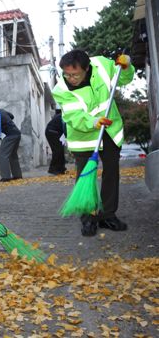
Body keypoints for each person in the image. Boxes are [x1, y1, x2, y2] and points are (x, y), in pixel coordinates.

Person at [52, 49, 134, 236]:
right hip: (83, 136)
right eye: (67, 74)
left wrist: (127, 65)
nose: (70, 78)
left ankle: (107, 215)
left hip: (109, 130)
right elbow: (74, 116)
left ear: (87, 68)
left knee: (111, 172)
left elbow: (124, 78)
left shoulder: (103, 66)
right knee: (85, 176)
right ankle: (88, 218)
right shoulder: (61, 90)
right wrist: (93, 122)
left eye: (75, 74)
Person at [46, 111, 67, 175]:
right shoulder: (65, 115)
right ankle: (53, 169)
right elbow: (65, 128)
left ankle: (61, 168)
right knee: (57, 150)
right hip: (52, 132)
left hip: (54, 132)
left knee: (59, 150)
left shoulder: (64, 114)